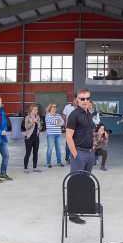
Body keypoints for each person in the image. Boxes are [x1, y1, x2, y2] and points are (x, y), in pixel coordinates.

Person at [66, 88, 96, 225]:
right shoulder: (74, 115)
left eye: (87, 98)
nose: (85, 101)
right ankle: (72, 213)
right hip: (79, 153)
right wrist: (75, 155)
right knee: (75, 183)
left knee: (85, 182)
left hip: (89, 153)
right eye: (82, 99)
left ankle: (82, 206)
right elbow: (68, 136)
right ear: (77, 100)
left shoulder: (88, 113)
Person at [45, 104, 65, 168]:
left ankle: (59, 162)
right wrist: (58, 122)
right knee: (50, 149)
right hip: (50, 134)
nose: (54, 109)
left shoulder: (58, 115)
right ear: (50, 109)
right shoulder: (47, 116)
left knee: (58, 149)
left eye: (55, 108)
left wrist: (58, 122)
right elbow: (56, 122)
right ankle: (48, 163)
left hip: (58, 134)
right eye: (53, 108)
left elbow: (62, 123)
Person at [24, 104, 42, 173]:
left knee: (35, 153)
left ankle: (35, 168)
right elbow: (26, 127)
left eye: (37, 109)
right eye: (35, 109)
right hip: (29, 137)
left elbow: (40, 127)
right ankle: (25, 168)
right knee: (28, 153)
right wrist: (33, 122)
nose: (36, 111)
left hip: (36, 137)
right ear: (31, 110)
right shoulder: (27, 117)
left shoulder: (38, 117)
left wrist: (39, 126)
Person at [62, 98, 77, 164]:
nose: (76, 102)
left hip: (77, 129)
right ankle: (67, 158)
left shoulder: (79, 107)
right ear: (73, 100)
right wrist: (65, 125)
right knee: (68, 144)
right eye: (75, 100)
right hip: (69, 128)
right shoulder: (67, 107)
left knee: (76, 143)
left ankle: (74, 157)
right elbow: (64, 116)